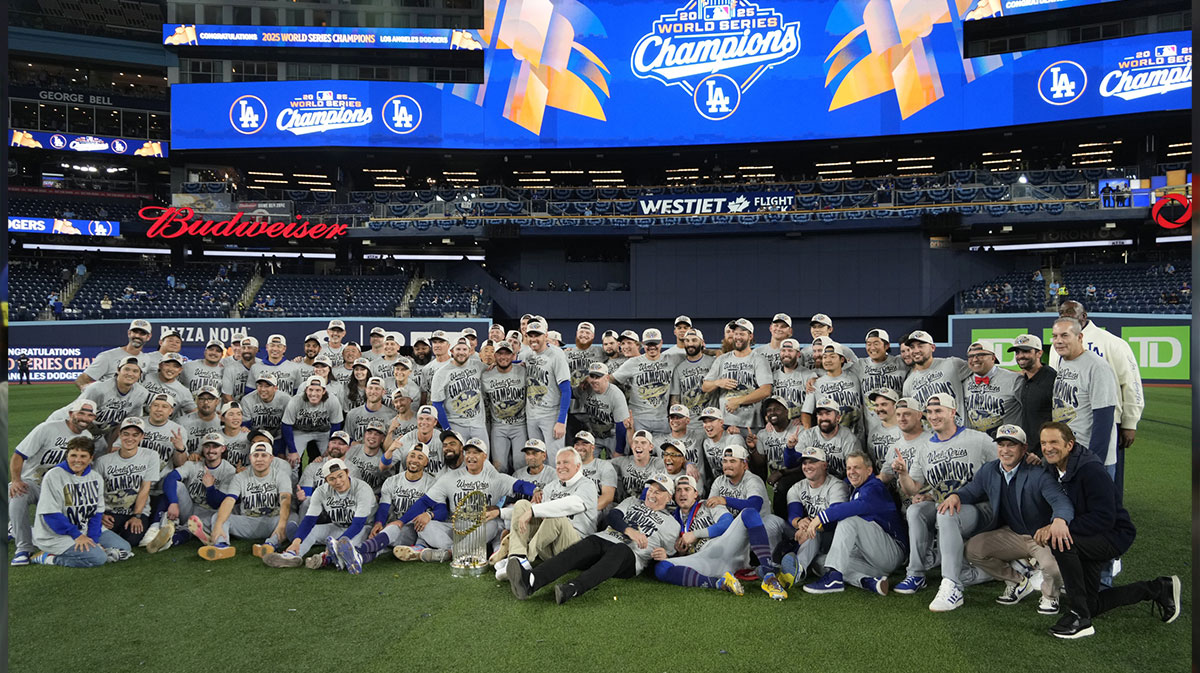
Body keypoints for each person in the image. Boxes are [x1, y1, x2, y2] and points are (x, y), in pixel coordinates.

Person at [1037, 422, 1181, 639]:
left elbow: (1104, 517)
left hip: (1113, 534)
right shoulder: (1053, 465)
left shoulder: (1091, 470)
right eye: (1043, 443)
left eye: (1054, 442)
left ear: (1069, 444)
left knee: (1061, 541)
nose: (1048, 448)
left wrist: (1059, 526)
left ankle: (1079, 618)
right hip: (1089, 534)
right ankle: (1158, 588)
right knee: (1092, 604)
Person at [940, 424, 1073, 614]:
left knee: (1053, 568)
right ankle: (1018, 582)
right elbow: (972, 490)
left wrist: (1059, 520)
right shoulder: (990, 469)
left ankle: (1051, 596)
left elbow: (1061, 501)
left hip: (1039, 536)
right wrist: (956, 496)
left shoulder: (1038, 473)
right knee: (974, 549)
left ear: (1024, 449)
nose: (1005, 450)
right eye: (1001, 445)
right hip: (1012, 533)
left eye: (1012, 445)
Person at [890, 393, 996, 610]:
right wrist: (903, 474)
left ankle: (952, 585)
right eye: (929, 412)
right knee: (915, 510)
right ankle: (917, 573)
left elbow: (1005, 465)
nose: (933, 416)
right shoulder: (925, 447)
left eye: (938, 410)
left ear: (952, 411)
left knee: (946, 512)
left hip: (978, 509)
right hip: (945, 507)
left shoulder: (978, 439)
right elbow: (913, 489)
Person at [506, 473, 680, 605]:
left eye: (658, 491)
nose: (652, 494)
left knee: (621, 549)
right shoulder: (633, 501)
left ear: (668, 497)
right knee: (586, 545)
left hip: (630, 557)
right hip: (605, 539)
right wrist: (630, 531)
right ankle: (531, 580)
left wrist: (665, 556)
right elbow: (613, 516)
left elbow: (672, 558)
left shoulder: (672, 525)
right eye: (650, 489)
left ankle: (573, 589)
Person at [391, 437, 535, 562]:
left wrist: (536, 490)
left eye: (476, 452)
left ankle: (447, 553)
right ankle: (456, 552)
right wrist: (402, 521)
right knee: (423, 526)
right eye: (468, 452)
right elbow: (425, 501)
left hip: (480, 528)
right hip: (455, 528)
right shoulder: (450, 477)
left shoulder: (496, 478)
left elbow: (520, 486)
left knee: (492, 526)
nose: (471, 456)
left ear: (484, 456)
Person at [1055, 301, 1143, 494]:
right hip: (1069, 424)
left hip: (1106, 421)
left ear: (1084, 316)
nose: (1065, 316)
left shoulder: (1112, 343)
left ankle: (1111, 517)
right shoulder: (1058, 348)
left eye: (1070, 313)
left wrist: (1130, 422)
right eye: (1061, 313)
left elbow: (1131, 382)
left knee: (1104, 479)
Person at [803, 450, 906, 595]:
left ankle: (834, 580)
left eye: (856, 467)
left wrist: (820, 517)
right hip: (871, 558)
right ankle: (868, 581)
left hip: (891, 551)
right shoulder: (855, 486)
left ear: (869, 470)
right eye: (849, 468)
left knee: (849, 520)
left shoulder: (874, 487)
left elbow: (854, 507)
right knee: (821, 562)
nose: (852, 472)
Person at [9, 399, 99, 566]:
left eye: (89, 415)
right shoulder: (47, 428)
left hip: (62, 488)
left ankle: (33, 533)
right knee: (17, 495)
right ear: (71, 413)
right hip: (34, 482)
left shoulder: (86, 436)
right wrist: (16, 480)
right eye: (81, 413)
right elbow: (18, 455)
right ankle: (23, 548)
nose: (85, 418)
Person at [492, 447, 599, 580]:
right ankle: (516, 556)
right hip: (548, 547)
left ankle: (524, 559)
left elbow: (571, 504)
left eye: (566, 462)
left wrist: (533, 511)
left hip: (575, 548)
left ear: (578, 466)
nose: (561, 467)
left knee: (556, 517)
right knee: (522, 505)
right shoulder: (551, 486)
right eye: (558, 463)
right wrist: (499, 512)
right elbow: (536, 509)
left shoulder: (587, 485)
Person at [29, 436, 133, 567]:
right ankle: (47, 557)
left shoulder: (95, 478)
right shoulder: (54, 476)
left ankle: (94, 549)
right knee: (98, 558)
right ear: (67, 455)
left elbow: (97, 513)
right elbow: (51, 514)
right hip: (57, 534)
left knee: (124, 548)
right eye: (73, 455)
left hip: (84, 528)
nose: (77, 460)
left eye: (83, 456)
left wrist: (93, 539)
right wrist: (77, 536)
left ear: (91, 458)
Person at [335, 442, 437, 570]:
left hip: (414, 529)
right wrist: (378, 523)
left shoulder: (432, 483)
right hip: (391, 526)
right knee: (379, 547)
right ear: (407, 458)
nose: (414, 460)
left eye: (420, 457)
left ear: (426, 462)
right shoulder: (392, 481)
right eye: (412, 456)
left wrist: (429, 515)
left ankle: (357, 550)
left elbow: (441, 509)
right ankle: (355, 559)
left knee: (392, 532)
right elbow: (384, 506)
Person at [262, 457, 377, 568]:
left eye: (340, 476)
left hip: (363, 529)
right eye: (332, 479)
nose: (338, 481)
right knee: (312, 530)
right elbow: (309, 520)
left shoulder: (362, 489)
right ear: (326, 480)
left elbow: (358, 524)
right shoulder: (321, 491)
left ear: (347, 472)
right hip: (338, 526)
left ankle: (324, 558)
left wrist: (337, 543)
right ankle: (293, 555)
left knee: (347, 547)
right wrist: (297, 541)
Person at [1050, 318, 1119, 476]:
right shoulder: (1064, 360)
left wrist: (1093, 463)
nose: (1058, 341)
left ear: (1080, 337)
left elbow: (1104, 420)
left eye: (1065, 335)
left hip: (1088, 456)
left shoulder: (1097, 367)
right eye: (1055, 336)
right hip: (1068, 452)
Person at [779, 446, 850, 588]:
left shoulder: (837, 486)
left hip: (832, 537)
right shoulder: (797, 487)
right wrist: (799, 523)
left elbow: (834, 519)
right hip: (807, 536)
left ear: (824, 465)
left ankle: (797, 569)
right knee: (773, 522)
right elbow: (793, 513)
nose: (807, 466)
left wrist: (810, 527)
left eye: (812, 462)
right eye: (804, 463)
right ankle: (774, 563)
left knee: (813, 531)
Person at [94, 418, 160, 550]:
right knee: (108, 536)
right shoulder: (102, 461)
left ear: (142, 437)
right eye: (126, 434)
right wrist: (100, 515)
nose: (130, 438)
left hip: (136, 511)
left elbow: (144, 488)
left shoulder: (151, 456)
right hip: (110, 511)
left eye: (135, 435)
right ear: (120, 435)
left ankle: (156, 526)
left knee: (132, 539)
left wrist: (137, 516)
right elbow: (96, 491)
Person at [702, 318, 772, 432]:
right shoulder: (722, 360)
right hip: (725, 423)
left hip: (751, 424)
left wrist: (739, 401)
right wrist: (718, 382)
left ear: (750, 336)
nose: (738, 337)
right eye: (736, 333)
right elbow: (705, 386)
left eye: (742, 334)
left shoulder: (759, 359)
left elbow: (766, 390)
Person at [611, 328, 675, 436]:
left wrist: (710, 352)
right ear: (643, 344)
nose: (652, 347)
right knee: (638, 451)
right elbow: (612, 379)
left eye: (655, 343)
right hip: (638, 418)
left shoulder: (671, 359)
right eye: (648, 344)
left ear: (661, 343)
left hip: (662, 419)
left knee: (662, 451)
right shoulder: (633, 362)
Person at [523, 319, 573, 452]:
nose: (534, 339)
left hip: (551, 415)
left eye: (537, 335)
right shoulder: (527, 355)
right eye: (531, 336)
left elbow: (566, 390)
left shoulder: (556, 355)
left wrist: (561, 421)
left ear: (545, 336)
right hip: (532, 414)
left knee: (553, 459)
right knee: (537, 457)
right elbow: (516, 364)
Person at [902, 330, 970, 421]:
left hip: (959, 430)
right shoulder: (908, 383)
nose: (916, 350)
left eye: (920, 346)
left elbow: (982, 370)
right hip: (930, 433)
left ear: (933, 347)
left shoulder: (952, 364)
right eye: (912, 347)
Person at [787, 398, 862, 480]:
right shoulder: (808, 435)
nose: (824, 418)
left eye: (828, 413)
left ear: (838, 418)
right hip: (813, 482)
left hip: (840, 482)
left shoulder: (849, 439)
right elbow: (792, 464)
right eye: (820, 414)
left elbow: (856, 471)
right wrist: (790, 449)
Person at [801, 342, 864, 440]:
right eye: (825, 357)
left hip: (857, 438)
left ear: (842, 359)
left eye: (832, 356)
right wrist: (808, 435)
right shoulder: (816, 383)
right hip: (830, 441)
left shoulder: (855, 376)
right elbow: (806, 412)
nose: (828, 360)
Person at [483, 341, 529, 473]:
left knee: (520, 464)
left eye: (507, 353)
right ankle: (503, 493)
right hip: (498, 427)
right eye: (500, 353)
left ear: (513, 355)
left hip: (520, 425)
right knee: (499, 466)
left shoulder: (523, 371)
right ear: (495, 355)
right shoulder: (486, 375)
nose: (503, 357)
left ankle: (521, 493)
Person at [431, 337, 489, 441]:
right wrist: (447, 428)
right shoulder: (441, 373)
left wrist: (519, 364)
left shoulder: (478, 366)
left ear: (470, 351)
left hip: (478, 424)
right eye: (458, 349)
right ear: (452, 351)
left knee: (483, 456)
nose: (461, 352)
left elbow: (498, 368)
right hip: (455, 424)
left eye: (464, 349)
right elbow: (437, 403)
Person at [1006, 334, 1056, 454]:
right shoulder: (1024, 378)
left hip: (1046, 452)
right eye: (1017, 352)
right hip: (1028, 450)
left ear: (1039, 353)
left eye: (1026, 351)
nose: (1020, 356)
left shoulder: (1052, 379)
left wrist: (1044, 451)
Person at [961, 341, 1024, 436]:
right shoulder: (964, 381)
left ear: (993, 358)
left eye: (980, 355)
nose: (974, 359)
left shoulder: (1014, 380)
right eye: (970, 356)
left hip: (1006, 443)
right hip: (976, 443)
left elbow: (1031, 412)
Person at [73, 319, 152, 391]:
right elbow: (82, 379)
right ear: (129, 333)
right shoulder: (107, 356)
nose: (137, 336)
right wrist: (91, 394)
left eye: (142, 333)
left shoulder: (146, 359)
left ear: (148, 337)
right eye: (135, 332)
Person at [281, 376, 345, 466]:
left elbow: (336, 424)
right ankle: (294, 480)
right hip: (300, 431)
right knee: (292, 462)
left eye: (318, 390)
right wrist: (292, 451)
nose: (313, 393)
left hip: (323, 432)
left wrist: (330, 447)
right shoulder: (296, 400)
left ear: (324, 391)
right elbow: (286, 425)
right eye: (310, 390)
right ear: (306, 390)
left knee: (331, 459)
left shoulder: (332, 400)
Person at [576, 362, 632, 457]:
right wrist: (580, 385)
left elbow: (621, 426)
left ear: (606, 378)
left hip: (614, 436)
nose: (594, 380)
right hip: (594, 434)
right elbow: (570, 394)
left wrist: (619, 450)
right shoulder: (585, 388)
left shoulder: (616, 394)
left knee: (616, 465)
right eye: (592, 377)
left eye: (598, 377)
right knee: (585, 462)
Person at [573, 431, 618, 521]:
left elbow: (607, 497)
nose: (580, 447)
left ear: (593, 447)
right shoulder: (569, 466)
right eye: (577, 444)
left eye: (585, 443)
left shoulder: (604, 466)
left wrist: (585, 511)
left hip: (595, 509)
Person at [221, 337, 261, 403]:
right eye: (243, 348)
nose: (246, 350)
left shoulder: (262, 366)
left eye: (249, 347)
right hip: (236, 408)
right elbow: (226, 395)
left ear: (256, 349)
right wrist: (237, 409)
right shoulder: (230, 368)